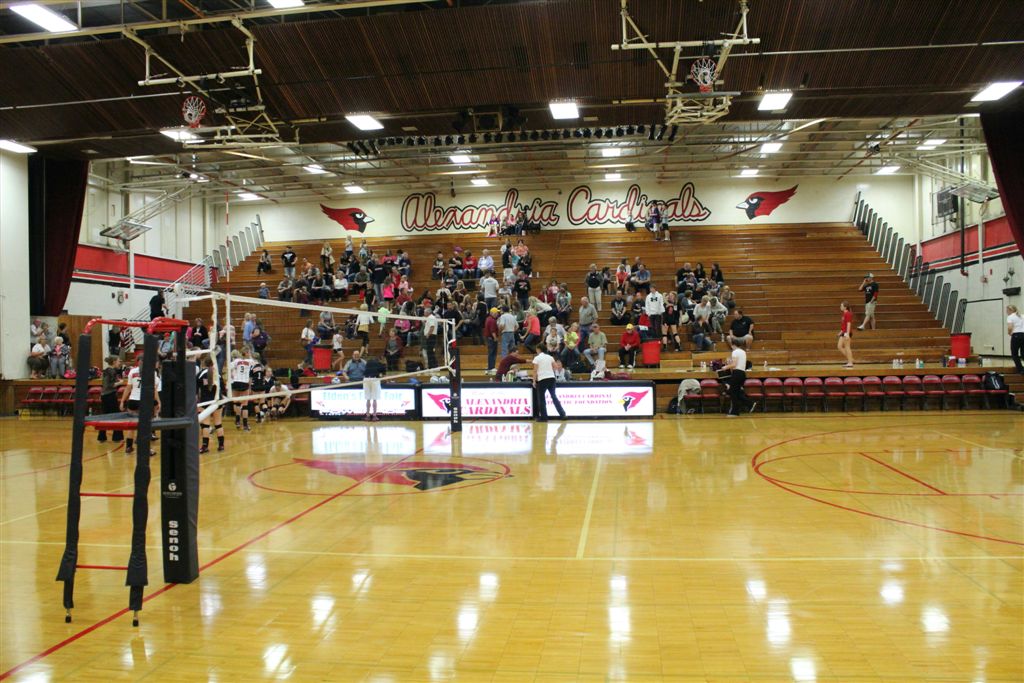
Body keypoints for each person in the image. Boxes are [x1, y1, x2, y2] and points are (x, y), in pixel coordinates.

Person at [120, 355, 162, 455]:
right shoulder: (152, 373)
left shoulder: (132, 371)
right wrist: (159, 402)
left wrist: (122, 401)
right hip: (145, 402)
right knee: (145, 427)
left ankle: (129, 447)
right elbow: (154, 390)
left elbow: (128, 388)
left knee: (132, 425)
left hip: (133, 401)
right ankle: (146, 449)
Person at [196, 357, 225, 453]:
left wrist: (197, 402)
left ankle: (205, 446)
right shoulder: (217, 374)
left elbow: (195, 391)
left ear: (203, 363)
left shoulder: (200, 374)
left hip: (205, 402)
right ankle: (221, 445)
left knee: (205, 425)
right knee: (218, 423)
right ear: (213, 364)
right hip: (217, 401)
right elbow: (223, 388)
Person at [532, 348, 566, 422]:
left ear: (538, 349)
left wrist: (534, 381)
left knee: (541, 399)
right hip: (551, 378)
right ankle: (562, 415)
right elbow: (556, 367)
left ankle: (544, 417)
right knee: (554, 397)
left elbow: (535, 371)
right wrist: (549, 371)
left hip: (542, 379)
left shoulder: (537, 358)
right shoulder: (550, 357)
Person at [723, 338, 755, 416]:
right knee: (736, 392)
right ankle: (749, 404)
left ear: (733, 345)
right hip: (742, 373)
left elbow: (734, 364)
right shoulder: (743, 352)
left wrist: (725, 367)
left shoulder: (735, 352)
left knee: (733, 392)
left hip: (736, 373)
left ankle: (735, 412)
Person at [97, 356, 124, 443]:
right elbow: (110, 385)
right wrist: (120, 383)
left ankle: (102, 437)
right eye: (118, 361)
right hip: (110, 395)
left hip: (104, 395)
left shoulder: (106, 371)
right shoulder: (112, 371)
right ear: (114, 362)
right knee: (116, 416)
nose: (119, 363)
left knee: (104, 415)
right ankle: (117, 437)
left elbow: (105, 384)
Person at [229, 349, 255, 431]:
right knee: (244, 405)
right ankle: (245, 425)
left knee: (237, 403)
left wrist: (233, 374)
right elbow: (256, 365)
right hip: (244, 383)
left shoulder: (236, 361)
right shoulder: (250, 361)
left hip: (236, 382)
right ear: (247, 353)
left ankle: (237, 421)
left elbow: (229, 367)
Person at [1007, 304, 1024, 374]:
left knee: (1014, 354)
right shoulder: (1022, 316)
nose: (1006, 312)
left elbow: (1010, 327)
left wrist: (1009, 333)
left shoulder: (1010, 317)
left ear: (1010, 310)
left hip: (1016, 335)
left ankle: (1021, 369)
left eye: (1007, 310)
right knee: (1023, 353)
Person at [838, 301, 854, 368]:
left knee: (847, 347)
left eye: (841, 306)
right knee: (839, 346)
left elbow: (848, 324)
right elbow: (844, 324)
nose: (840, 307)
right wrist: (841, 331)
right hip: (843, 332)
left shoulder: (848, 314)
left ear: (845, 307)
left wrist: (847, 334)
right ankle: (850, 359)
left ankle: (850, 362)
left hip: (846, 333)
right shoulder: (844, 314)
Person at [484, 307, 500, 375]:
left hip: (488, 338)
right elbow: (492, 331)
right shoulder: (492, 321)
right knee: (493, 353)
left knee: (490, 353)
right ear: (493, 313)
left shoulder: (488, 319)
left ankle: (490, 367)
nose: (497, 314)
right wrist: (495, 338)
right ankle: (491, 367)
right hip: (492, 339)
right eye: (496, 313)